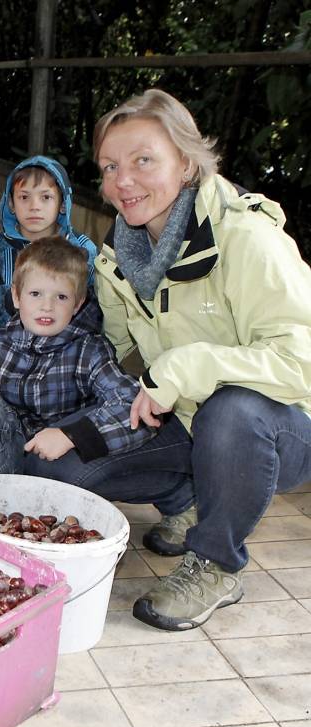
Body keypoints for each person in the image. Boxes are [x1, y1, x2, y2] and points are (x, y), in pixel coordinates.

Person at [92, 89, 311, 631]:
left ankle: (215, 564)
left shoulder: (247, 237)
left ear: (187, 163)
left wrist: (186, 366)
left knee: (230, 410)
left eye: (144, 160)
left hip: (281, 426)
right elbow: (113, 350)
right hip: (184, 419)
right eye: (110, 166)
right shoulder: (118, 253)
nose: (123, 181)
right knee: (65, 466)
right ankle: (195, 498)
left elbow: (301, 360)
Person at [0, 237, 172, 484]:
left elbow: (132, 404)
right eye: (35, 293)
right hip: (5, 461)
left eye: (61, 297)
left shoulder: (89, 350)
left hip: (62, 466)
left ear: (77, 304)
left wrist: (71, 436)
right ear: (16, 296)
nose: (47, 306)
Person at [0, 155, 99, 366]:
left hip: (64, 365)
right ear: (11, 203)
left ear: (63, 203)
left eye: (46, 197)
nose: (34, 206)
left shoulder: (83, 250)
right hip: (4, 361)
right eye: (24, 197)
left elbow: (95, 314)